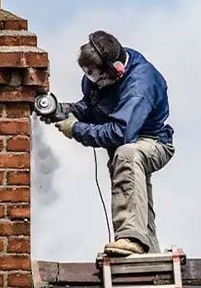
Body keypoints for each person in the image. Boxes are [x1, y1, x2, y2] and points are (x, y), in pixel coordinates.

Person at [46, 30, 175, 257]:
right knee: (135, 193)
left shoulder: (140, 85)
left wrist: (75, 129)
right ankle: (148, 252)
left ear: (117, 71)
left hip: (152, 142)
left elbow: (120, 133)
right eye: (89, 75)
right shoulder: (102, 76)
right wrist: (65, 110)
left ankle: (131, 239)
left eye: (97, 77)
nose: (92, 82)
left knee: (127, 154)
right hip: (127, 144)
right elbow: (94, 106)